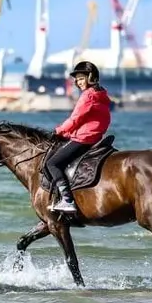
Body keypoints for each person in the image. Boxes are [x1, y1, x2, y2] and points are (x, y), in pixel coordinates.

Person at [44, 60, 111, 215]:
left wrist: (58, 132)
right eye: (77, 79)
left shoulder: (88, 95)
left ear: (91, 77)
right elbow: (86, 120)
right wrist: (67, 134)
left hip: (85, 138)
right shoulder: (101, 95)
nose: (78, 82)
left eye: (81, 78)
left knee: (52, 163)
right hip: (95, 136)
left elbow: (75, 119)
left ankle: (67, 199)